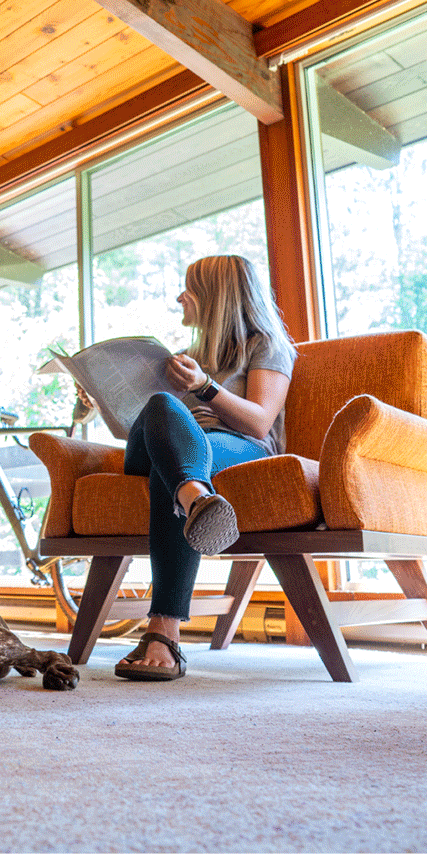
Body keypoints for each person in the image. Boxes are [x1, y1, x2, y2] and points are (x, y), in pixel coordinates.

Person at [112, 254, 296, 681]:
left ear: (217, 296)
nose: (180, 296)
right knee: (162, 407)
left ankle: (164, 631)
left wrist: (205, 387)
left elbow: (260, 421)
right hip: (173, 445)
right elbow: (133, 429)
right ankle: (197, 498)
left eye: (189, 288)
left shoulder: (264, 344)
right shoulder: (182, 356)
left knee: (171, 467)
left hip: (236, 445)